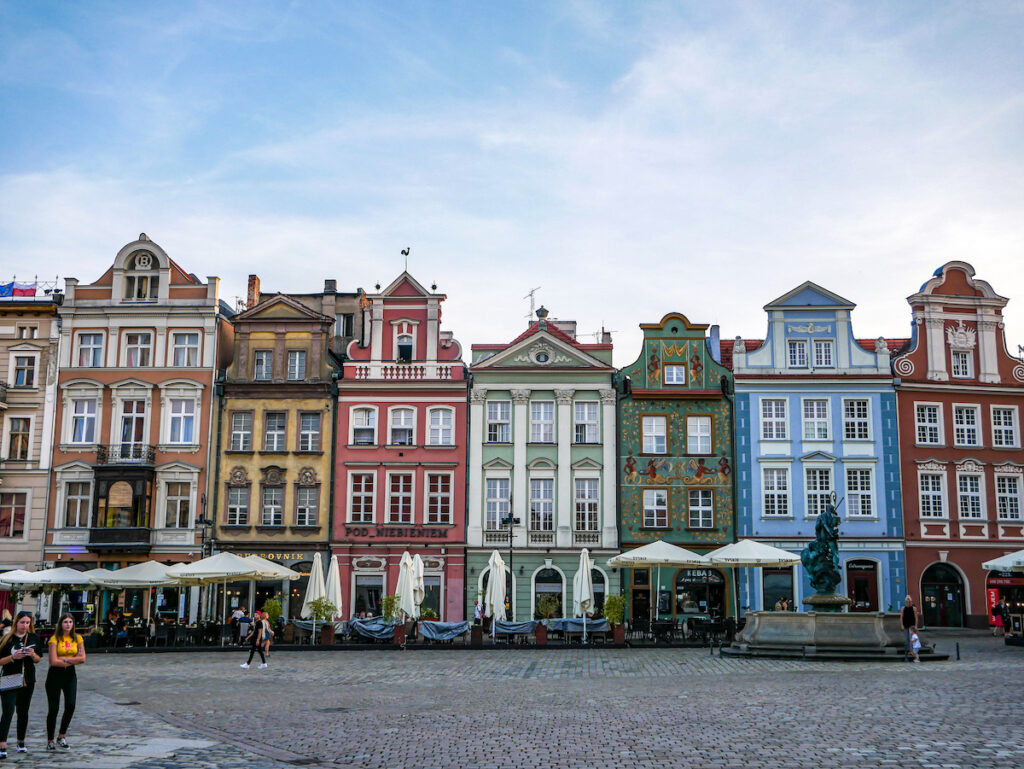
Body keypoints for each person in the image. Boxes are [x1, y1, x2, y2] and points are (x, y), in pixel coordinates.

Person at [0, 611, 42, 757]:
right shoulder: (7, 639)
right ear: (16, 622)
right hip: (9, 678)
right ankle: (2, 743)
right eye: (22, 622)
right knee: (8, 711)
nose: (25, 625)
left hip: (28, 679)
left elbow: (38, 659)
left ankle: (21, 741)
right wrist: (13, 657)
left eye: (27, 623)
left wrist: (32, 654)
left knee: (23, 711)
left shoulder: (34, 638)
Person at [46, 614, 85, 751]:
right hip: (55, 675)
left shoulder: (78, 638)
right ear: (60, 624)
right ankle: (50, 739)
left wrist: (66, 659)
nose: (68, 624)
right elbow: (53, 661)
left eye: (70, 622)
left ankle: (61, 735)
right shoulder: (54, 639)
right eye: (65, 622)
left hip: (70, 674)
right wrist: (73, 658)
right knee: (54, 708)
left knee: (71, 704)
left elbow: (82, 658)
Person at [900, 595, 918, 662]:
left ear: (911, 601)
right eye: (907, 602)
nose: (908, 603)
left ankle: (911, 651)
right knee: (907, 638)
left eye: (909, 601)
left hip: (911, 625)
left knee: (911, 638)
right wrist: (902, 625)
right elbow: (901, 617)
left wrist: (916, 625)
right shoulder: (903, 608)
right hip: (906, 625)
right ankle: (907, 651)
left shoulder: (914, 608)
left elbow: (916, 617)